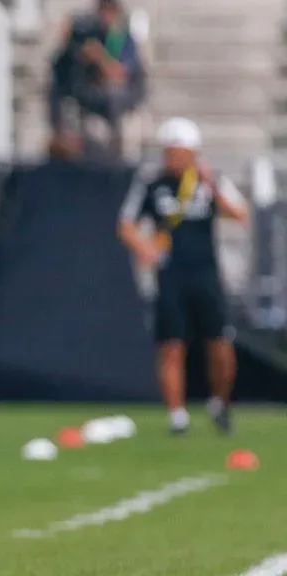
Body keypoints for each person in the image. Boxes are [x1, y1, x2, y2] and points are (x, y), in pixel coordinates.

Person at [117, 117, 249, 435]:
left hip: (206, 273)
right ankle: (177, 415)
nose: (173, 158)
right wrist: (144, 248)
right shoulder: (151, 183)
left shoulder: (209, 180)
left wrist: (213, 187)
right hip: (170, 275)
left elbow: (240, 214)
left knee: (219, 342)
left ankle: (220, 401)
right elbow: (126, 224)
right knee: (171, 345)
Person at [48, 0, 146, 155]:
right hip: (86, 101)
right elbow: (63, 67)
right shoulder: (89, 34)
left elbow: (119, 74)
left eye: (109, 12)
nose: (104, 18)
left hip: (117, 104)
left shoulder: (122, 39)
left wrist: (99, 57)